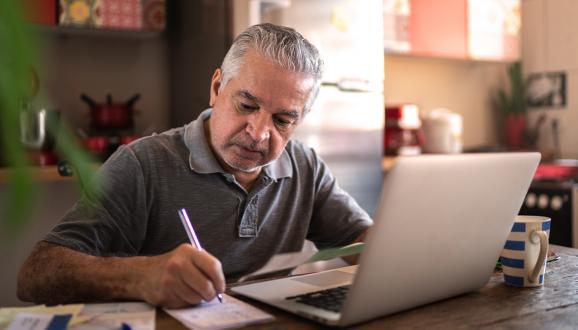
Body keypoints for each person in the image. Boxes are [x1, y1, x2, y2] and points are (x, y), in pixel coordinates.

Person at [17, 23, 372, 309]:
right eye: (247, 105)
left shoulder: (305, 166)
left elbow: (365, 244)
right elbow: (35, 274)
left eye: (282, 119)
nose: (259, 134)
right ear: (217, 87)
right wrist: (140, 276)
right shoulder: (143, 164)